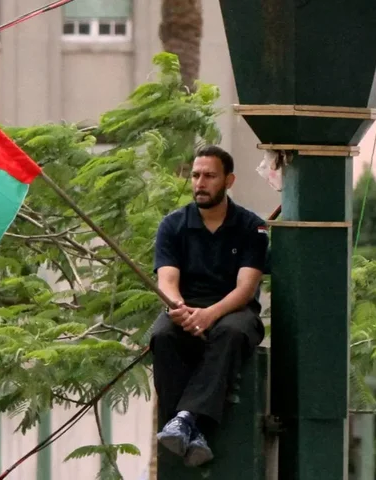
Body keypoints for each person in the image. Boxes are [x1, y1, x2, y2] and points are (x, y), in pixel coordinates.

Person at [150, 145, 268, 467]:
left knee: (231, 333)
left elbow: (245, 289)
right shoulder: (172, 225)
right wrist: (179, 307)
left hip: (233, 310)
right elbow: (167, 279)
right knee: (162, 336)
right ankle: (191, 430)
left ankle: (186, 418)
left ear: (229, 181)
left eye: (210, 176)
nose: (200, 182)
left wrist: (210, 315)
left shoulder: (252, 228)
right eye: (196, 175)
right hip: (185, 307)